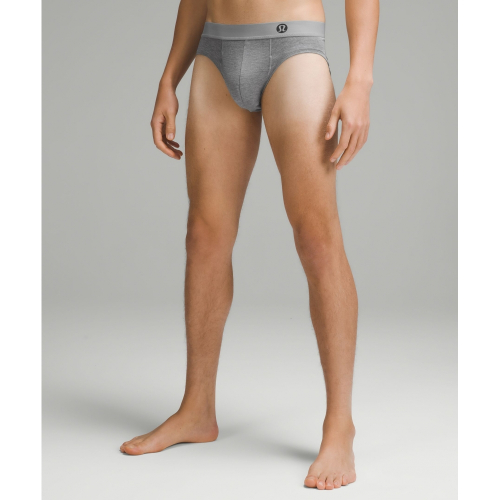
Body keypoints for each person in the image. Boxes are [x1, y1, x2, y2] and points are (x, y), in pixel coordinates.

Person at [120, 0, 379, 490]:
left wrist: (360, 81)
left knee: (317, 239)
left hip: (292, 48)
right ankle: (197, 408)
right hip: (215, 50)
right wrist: (168, 78)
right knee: (204, 235)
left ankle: (339, 425)